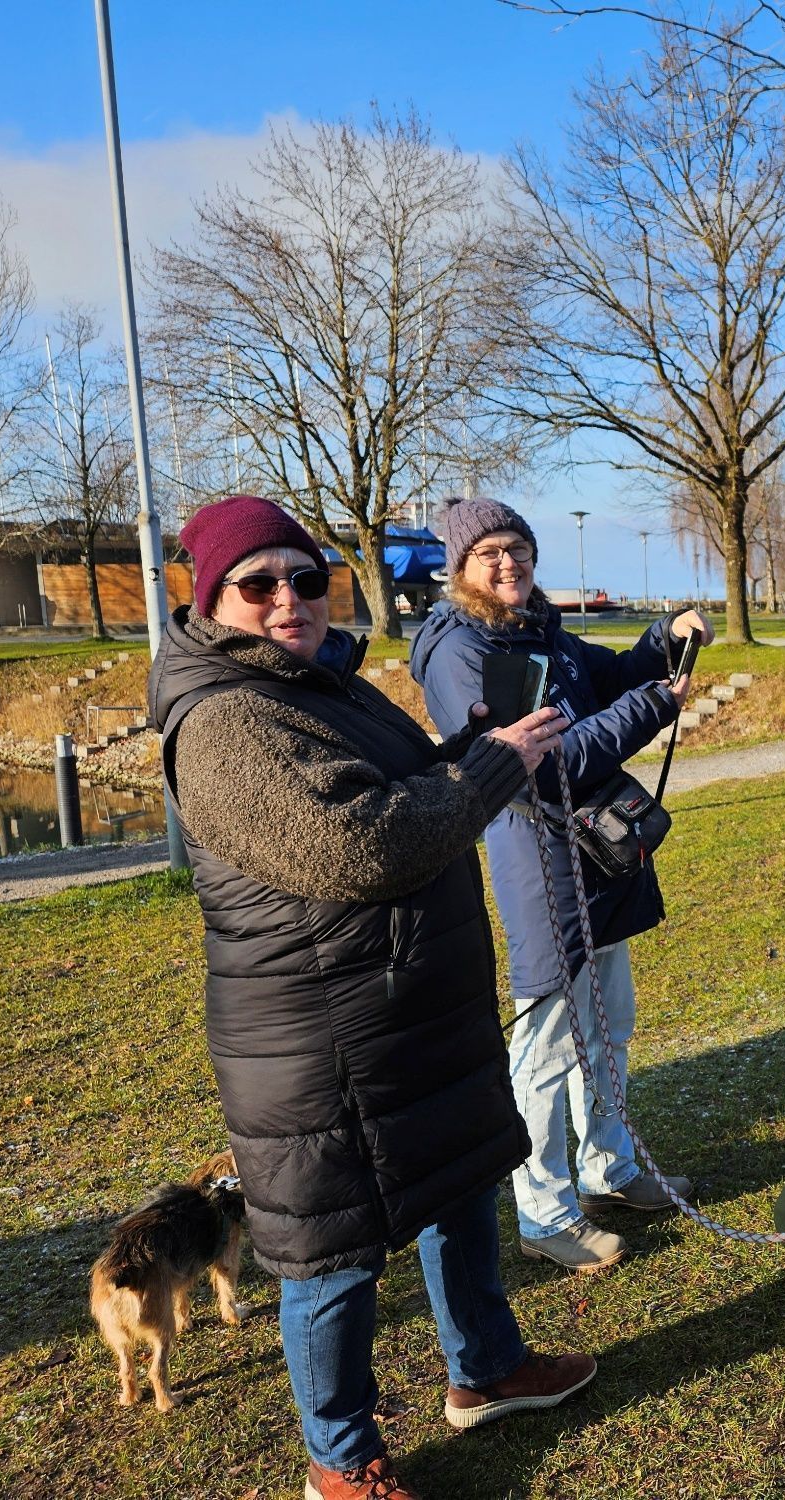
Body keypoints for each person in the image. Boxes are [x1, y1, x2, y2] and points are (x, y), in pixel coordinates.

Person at [147, 495, 593, 1500]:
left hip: (403, 1008)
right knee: (332, 1256)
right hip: (317, 1039)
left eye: (305, 578)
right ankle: (339, 1463)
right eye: (256, 584)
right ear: (210, 597)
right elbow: (361, 844)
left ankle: (485, 1370)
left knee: (458, 1183)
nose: (287, 601)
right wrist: (486, 775)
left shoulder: (315, 682)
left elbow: (381, 789)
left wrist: (463, 748)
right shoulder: (225, 717)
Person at [411, 498, 711, 1272]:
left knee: (610, 1023)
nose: (508, 563)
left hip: (598, 851)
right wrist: (653, 708)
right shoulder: (460, 650)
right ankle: (545, 1213)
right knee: (547, 1043)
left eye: (517, 547)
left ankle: (609, 1172)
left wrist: (661, 641)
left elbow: (604, 676)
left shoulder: (536, 628)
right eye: (490, 554)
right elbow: (539, 762)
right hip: (539, 858)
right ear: (460, 568)